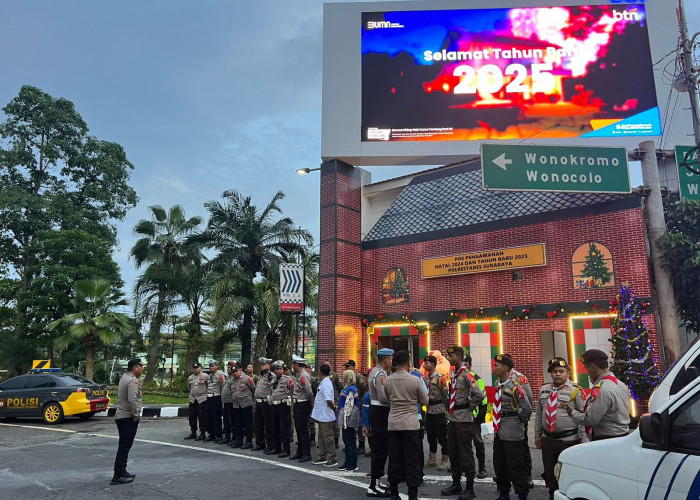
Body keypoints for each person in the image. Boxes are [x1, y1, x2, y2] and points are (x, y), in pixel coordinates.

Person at [535, 357, 585, 500]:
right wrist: (537, 435)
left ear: (568, 373)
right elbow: (539, 414)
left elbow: (582, 416)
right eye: (554, 371)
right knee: (550, 473)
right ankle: (552, 495)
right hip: (548, 440)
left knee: (566, 474)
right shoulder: (544, 390)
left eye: (561, 371)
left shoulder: (576, 391)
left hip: (568, 440)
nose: (557, 374)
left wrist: (584, 439)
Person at [440, 346, 486, 500]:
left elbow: (479, 395)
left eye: (452, 355)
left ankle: (470, 488)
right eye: (448, 355)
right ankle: (456, 484)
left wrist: (468, 407)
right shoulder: (454, 373)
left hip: (464, 419)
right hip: (453, 419)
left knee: (466, 453)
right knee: (453, 452)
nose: (449, 358)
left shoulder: (467, 375)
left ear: (459, 357)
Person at [384, 350, 429, 500]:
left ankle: (394, 492)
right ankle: (412, 494)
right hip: (410, 423)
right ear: (409, 363)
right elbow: (425, 401)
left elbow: (386, 400)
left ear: (395, 363)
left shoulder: (388, 380)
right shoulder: (415, 380)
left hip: (394, 424)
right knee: (412, 459)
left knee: (395, 458)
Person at [565, 349, 631, 441]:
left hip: (607, 439)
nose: (587, 373)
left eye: (586, 369)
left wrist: (572, 413)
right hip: (622, 436)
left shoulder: (601, 389)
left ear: (593, 367)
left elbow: (591, 419)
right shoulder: (620, 384)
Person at [491, 354, 532, 500]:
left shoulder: (515, 387)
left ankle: (522, 494)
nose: (494, 367)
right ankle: (504, 493)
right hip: (499, 428)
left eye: (497, 365)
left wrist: (517, 420)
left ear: (505, 368)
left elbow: (527, 408)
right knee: (499, 463)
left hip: (512, 429)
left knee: (515, 464)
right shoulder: (497, 384)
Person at [366, 348, 394, 498]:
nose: (391, 361)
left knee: (379, 449)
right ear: (385, 360)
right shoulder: (380, 373)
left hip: (375, 411)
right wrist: (394, 402)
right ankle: (374, 485)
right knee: (380, 450)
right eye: (390, 358)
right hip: (380, 411)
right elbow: (383, 398)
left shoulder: (374, 371)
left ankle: (376, 481)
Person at [111, 358, 143, 485]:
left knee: (124, 446)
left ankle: (122, 471)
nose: (142, 368)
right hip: (127, 417)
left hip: (122, 417)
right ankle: (118, 475)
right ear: (135, 368)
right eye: (141, 366)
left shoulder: (125, 377)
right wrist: (136, 416)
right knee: (124, 447)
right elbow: (133, 400)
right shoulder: (132, 381)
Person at [422, 355, 449, 471]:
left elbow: (445, 394)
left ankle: (445, 459)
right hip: (429, 410)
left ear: (433, 364)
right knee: (431, 435)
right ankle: (432, 458)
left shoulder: (440, 378)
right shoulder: (426, 378)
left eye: (427, 363)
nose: (425, 365)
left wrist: (447, 410)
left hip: (438, 410)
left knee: (442, 436)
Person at [463, 354, 488, 479]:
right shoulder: (456, 377)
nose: (464, 366)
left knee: (477, 442)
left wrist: (476, 416)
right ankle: (465, 466)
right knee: (463, 443)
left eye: (466, 364)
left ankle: (482, 468)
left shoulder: (474, 378)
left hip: (473, 417)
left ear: (470, 365)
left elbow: (482, 400)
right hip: (461, 417)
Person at [265, 360, 294, 457]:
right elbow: (271, 391)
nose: (279, 371)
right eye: (277, 369)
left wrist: (290, 401)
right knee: (275, 427)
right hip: (274, 405)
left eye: (280, 369)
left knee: (285, 428)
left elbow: (292, 391)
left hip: (283, 405)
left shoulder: (288, 379)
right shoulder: (272, 380)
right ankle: (277, 448)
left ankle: (286, 450)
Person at [311, 363, 338, 467]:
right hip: (321, 414)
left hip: (326, 415)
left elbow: (329, 400)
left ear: (320, 372)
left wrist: (333, 407)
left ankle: (332, 457)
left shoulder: (326, 384)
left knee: (328, 438)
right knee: (321, 437)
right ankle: (322, 455)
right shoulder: (324, 382)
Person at [291, 354, 313, 462]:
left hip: (303, 404)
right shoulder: (299, 375)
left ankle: (306, 453)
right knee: (298, 429)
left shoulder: (304, 375)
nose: (292, 366)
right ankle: (300, 451)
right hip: (298, 403)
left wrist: (310, 404)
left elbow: (308, 392)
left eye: (293, 364)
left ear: (296, 364)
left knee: (303, 429)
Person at [337, 369, 361, 471]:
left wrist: (344, 420)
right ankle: (347, 462)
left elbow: (349, 407)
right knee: (347, 441)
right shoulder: (348, 389)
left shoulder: (350, 390)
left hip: (348, 419)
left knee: (350, 442)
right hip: (347, 418)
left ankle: (352, 464)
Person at [229, 362, 256, 449]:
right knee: (238, 424)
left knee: (248, 424)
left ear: (240, 370)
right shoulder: (232, 380)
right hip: (236, 405)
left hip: (246, 404)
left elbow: (254, 389)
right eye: (233, 372)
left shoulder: (247, 378)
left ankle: (248, 442)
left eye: (236, 371)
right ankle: (239, 441)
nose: (235, 373)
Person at [344, 359, 367, 455]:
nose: (346, 368)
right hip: (351, 404)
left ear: (353, 366)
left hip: (358, 403)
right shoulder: (348, 377)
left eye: (348, 366)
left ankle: (361, 445)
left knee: (359, 425)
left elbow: (363, 388)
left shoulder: (357, 376)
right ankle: (351, 444)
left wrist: (360, 400)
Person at [253, 357, 274, 451]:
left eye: (264, 364)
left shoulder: (271, 376)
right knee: (258, 424)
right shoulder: (260, 376)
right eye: (261, 364)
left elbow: (274, 389)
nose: (262, 366)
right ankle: (260, 443)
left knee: (268, 425)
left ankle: (270, 444)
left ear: (269, 365)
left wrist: (270, 399)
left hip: (266, 403)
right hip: (258, 403)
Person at [185, 362, 208, 441]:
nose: (196, 369)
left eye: (197, 367)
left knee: (202, 417)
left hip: (202, 399)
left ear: (200, 368)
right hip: (192, 399)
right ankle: (193, 432)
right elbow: (189, 387)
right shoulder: (190, 377)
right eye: (194, 368)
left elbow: (208, 386)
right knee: (192, 416)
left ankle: (202, 433)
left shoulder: (205, 376)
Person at [206, 360, 226, 443]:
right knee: (209, 417)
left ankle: (218, 435)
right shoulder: (209, 376)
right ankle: (211, 434)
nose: (211, 367)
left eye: (213, 366)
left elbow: (223, 387)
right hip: (209, 397)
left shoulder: (220, 375)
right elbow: (207, 385)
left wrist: (222, 400)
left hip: (216, 397)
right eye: (210, 366)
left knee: (216, 417)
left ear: (216, 366)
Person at [221, 361, 236, 444]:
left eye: (230, 367)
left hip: (231, 402)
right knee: (226, 421)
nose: (228, 369)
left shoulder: (234, 378)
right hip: (226, 402)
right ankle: (227, 437)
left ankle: (234, 438)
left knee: (232, 421)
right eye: (228, 367)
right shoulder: (227, 377)